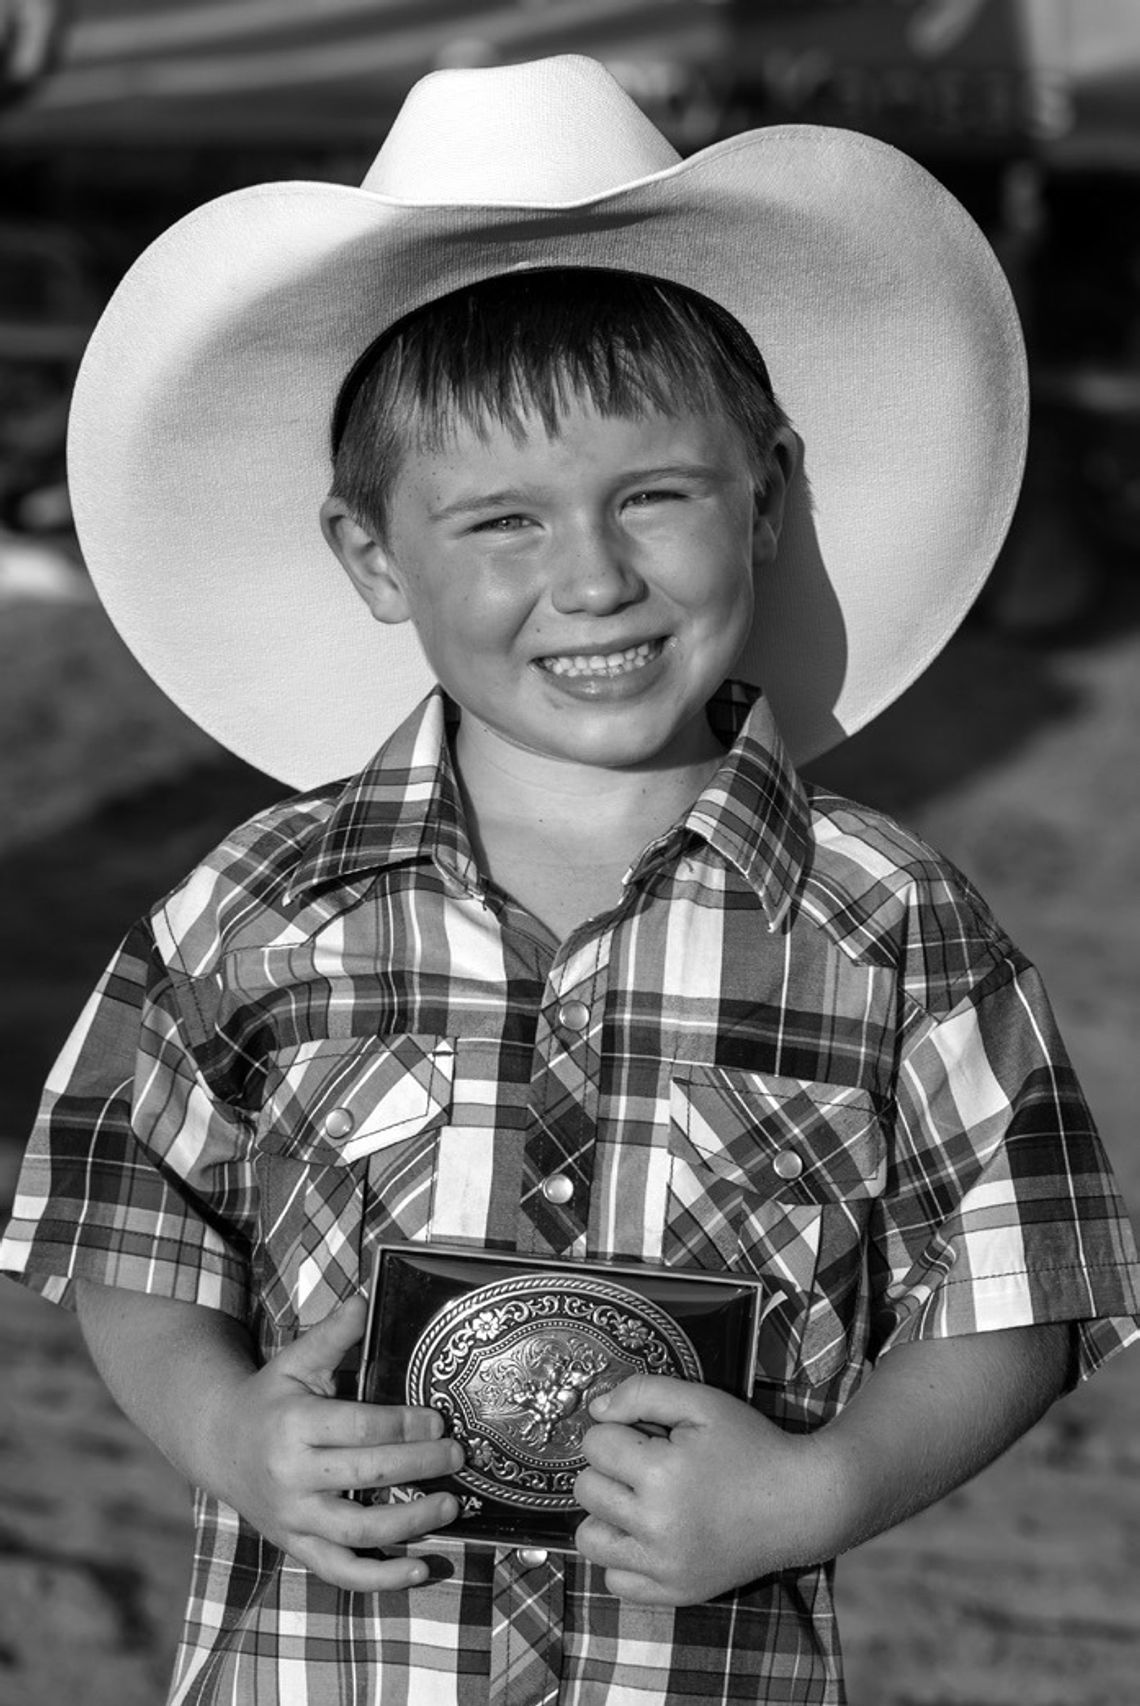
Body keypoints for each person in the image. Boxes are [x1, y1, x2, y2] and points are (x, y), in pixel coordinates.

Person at [2, 53, 1137, 1706]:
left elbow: (1025, 1292)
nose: (593, 576)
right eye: (502, 524)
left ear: (766, 494)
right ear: (373, 557)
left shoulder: (895, 925)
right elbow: (126, 1227)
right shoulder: (256, 904)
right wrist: (227, 1428)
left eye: (655, 496)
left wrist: (818, 1489)